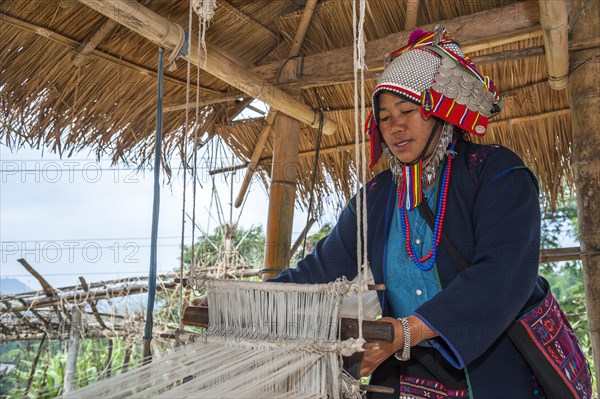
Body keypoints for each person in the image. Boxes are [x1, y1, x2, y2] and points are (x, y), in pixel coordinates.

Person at [270, 26, 547, 398]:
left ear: (441, 113)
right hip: (405, 366)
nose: (395, 126)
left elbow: (502, 271)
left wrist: (408, 330)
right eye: (384, 117)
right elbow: (320, 270)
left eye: (408, 110)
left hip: (494, 362)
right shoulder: (376, 196)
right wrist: (242, 303)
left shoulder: (496, 173)